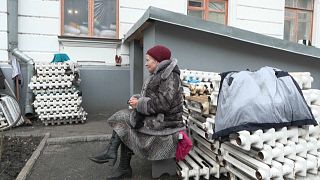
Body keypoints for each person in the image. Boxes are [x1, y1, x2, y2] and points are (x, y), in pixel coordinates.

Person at [89, 45, 185, 179]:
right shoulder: (160, 75)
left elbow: (163, 104)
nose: (145, 64)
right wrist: (137, 99)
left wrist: (139, 104)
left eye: (148, 60)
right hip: (158, 119)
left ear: (157, 61)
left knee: (123, 119)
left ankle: (115, 157)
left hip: (166, 124)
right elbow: (153, 98)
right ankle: (117, 160)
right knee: (124, 120)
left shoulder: (171, 77)